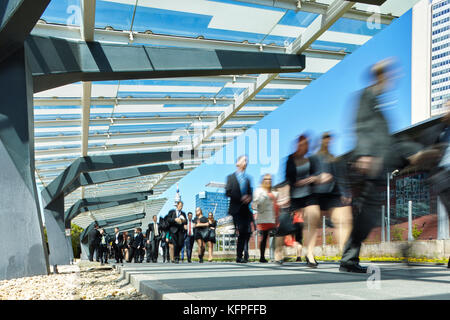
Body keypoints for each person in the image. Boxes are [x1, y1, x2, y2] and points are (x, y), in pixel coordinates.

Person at [339, 59, 424, 273]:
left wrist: (410, 153)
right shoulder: (366, 97)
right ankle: (349, 259)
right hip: (371, 164)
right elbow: (361, 124)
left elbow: (387, 139)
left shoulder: (378, 103)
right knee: (368, 215)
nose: (394, 78)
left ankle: (350, 259)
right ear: (381, 76)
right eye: (391, 74)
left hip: (379, 166)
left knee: (370, 214)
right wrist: (366, 154)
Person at [285, 134, 331, 268]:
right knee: (306, 225)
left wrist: (316, 179)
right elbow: (289, 178)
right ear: (298, 145)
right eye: (302, 144)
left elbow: (318, 174)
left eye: (307, 144)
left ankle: (310, 253)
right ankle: (307, 251)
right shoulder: (290, 159)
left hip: (310, 194)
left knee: (314, 220)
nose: (305, 147)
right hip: (296, 196)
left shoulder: (311, 159)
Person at [315, 132, 353, 252]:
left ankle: (345, 254)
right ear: (321, 141)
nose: (329, 141)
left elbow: (341, 177)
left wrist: (346, 193)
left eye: (330, 139)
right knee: (313, 224)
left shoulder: (335, 159)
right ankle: (309, 252)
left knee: (343, 221)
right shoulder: (314, 158)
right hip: (318, 194)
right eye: (326, 139)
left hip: (334, 194)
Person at [225, 155, 255, 263]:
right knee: (241, 230)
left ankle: (239, 256)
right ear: (237, 163)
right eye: (243, 160)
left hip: (245, 209)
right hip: (235, 209)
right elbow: (228, 192)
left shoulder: (248, 179)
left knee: (244, 232)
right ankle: (239, 255)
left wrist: (249, 197)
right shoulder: (230, 178)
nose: (245, 162)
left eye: (247, 161)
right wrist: (240, 197)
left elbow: (251, 193)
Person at [252, 174, 279, 263]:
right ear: (263, 180)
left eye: (270, 179)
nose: (268, 180)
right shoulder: (259, 190)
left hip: (274, 217)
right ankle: (262, 257)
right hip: (264, 217)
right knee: (264, 238)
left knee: (277, 236)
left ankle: (277, 256)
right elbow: (255, 204)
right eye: (266, 179)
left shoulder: (274, 190)